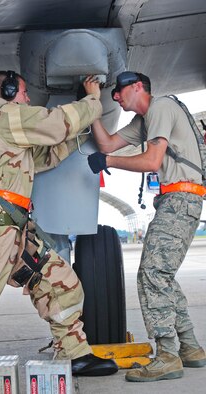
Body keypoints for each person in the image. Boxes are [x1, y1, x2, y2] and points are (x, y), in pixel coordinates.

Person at [0, 71, 118, 390]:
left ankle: (74, 354)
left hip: (15, 229)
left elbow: (44, 156)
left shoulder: (6, 125)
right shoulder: (6, 115)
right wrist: (91, 99)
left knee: (62, 283)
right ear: (8, 91)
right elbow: (54, 123)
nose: (28, 98)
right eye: (23, 92)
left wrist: (79, 133)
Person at [84, 71, 206, 382]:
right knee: (161, 275)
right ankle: (190, 348)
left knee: (151, 274)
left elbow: (152, 161)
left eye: (119, 91)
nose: (116, 97)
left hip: (181, 198)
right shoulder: (146, 119)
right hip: (176, 200)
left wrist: (107, 163)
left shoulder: (161, 107)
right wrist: (92, 103)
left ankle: (167, 355)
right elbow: (108, 143)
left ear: (138, 87)